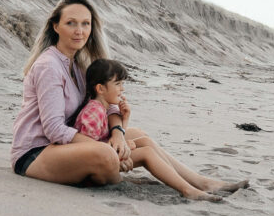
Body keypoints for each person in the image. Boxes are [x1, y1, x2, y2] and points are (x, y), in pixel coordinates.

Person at [10, 0, 250, 196]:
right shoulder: (49, 66)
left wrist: (117, 135)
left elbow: (108, 104)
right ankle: (110, 164)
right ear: (55, 26)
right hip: (37, 153)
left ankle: (201, 182)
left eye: (86, 24)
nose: (79, 31)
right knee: (106, 154)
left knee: (140, 137)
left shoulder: (80, 64)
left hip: (69, 145)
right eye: (71, 23)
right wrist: (108, 148)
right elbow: (54, 130)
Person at [75, 58, 223, 202]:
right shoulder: (94, 112)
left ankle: (189, 182)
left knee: (144, 141)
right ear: (100, 88)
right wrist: (119, 157)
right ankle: (188, 190)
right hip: (92, 173)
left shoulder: (102, 108)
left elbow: (110, 141)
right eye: (118, 84)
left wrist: (125, 119)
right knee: (146, 153)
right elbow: (90, 150)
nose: (122, 89)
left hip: (103, 159)